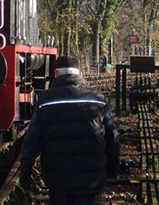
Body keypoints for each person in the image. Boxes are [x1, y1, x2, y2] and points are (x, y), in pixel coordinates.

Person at [19, 55, 120, 205]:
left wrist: (25, 172)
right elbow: (113, 137)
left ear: (56, 74)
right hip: (91, 179)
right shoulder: (98, 99)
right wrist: (112, 169)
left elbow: (32, 141)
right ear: (80, 74)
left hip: (58, 181)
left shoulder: (46, 101)